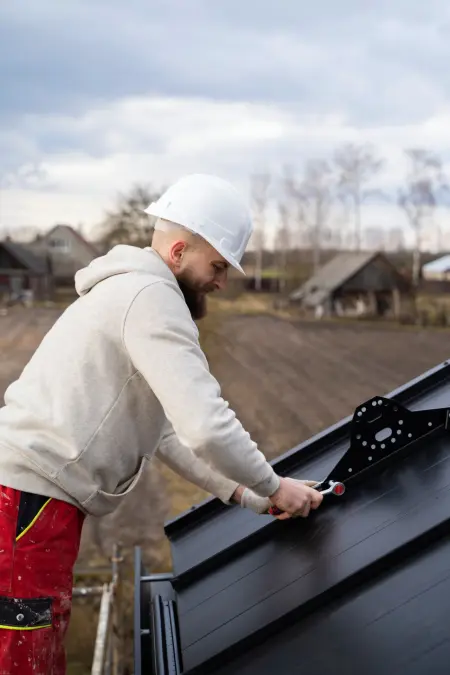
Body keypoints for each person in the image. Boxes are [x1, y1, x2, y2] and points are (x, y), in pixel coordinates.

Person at [0, 173, 323, 673]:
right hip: (26, 503)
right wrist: (275, 485)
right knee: (25, 660)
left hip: (28, 499)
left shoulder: (129, 293)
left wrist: (247, 494)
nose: (221, 282)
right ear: (177, 251)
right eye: (217, 265)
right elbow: (207, 426)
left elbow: (166, 432)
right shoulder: (152, 299)